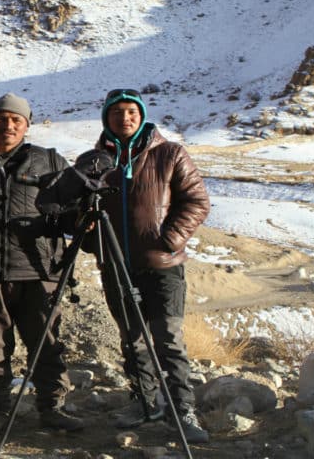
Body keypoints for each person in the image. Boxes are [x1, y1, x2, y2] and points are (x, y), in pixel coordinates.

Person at [0, 93, 84, 437]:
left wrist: (79, 219)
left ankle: (53, 409)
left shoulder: (49, 162)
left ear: (27, 124)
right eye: (1, 118)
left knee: (47, 344)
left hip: (39, 272)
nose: (8, 125)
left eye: (16, 120)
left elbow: (74, 210)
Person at [81, 89, 211, 444]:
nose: (125, 118)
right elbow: (78, 209)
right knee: (131, 338)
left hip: (162, 265)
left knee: (167, 338)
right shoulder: (94, 162)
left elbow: (196, 200)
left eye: (131, 112)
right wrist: (91, 237)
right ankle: (145, 401)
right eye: (117, 112)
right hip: (115, 265)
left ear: (141, 116)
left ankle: (182, 408)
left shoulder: (169, 153)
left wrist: (169, 239)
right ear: (106, 118)